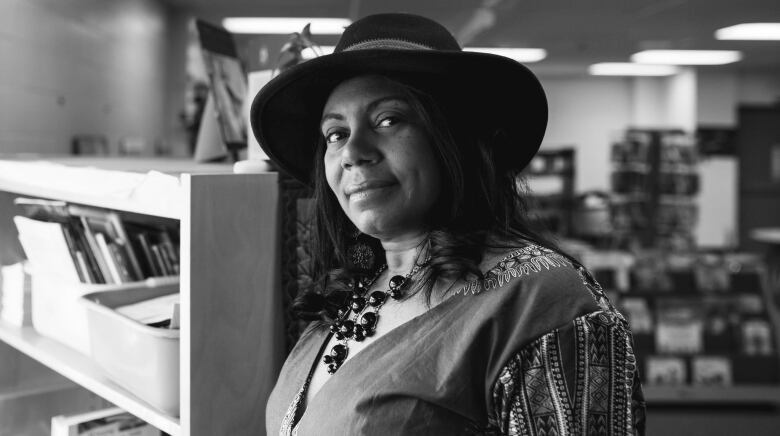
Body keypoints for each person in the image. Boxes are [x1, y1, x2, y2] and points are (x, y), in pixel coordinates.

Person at [250, 13, 646, 436]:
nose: (353, 151)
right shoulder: (347, 295)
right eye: (335, 133)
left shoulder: (541, 303)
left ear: (451, 136)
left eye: (388, 120)